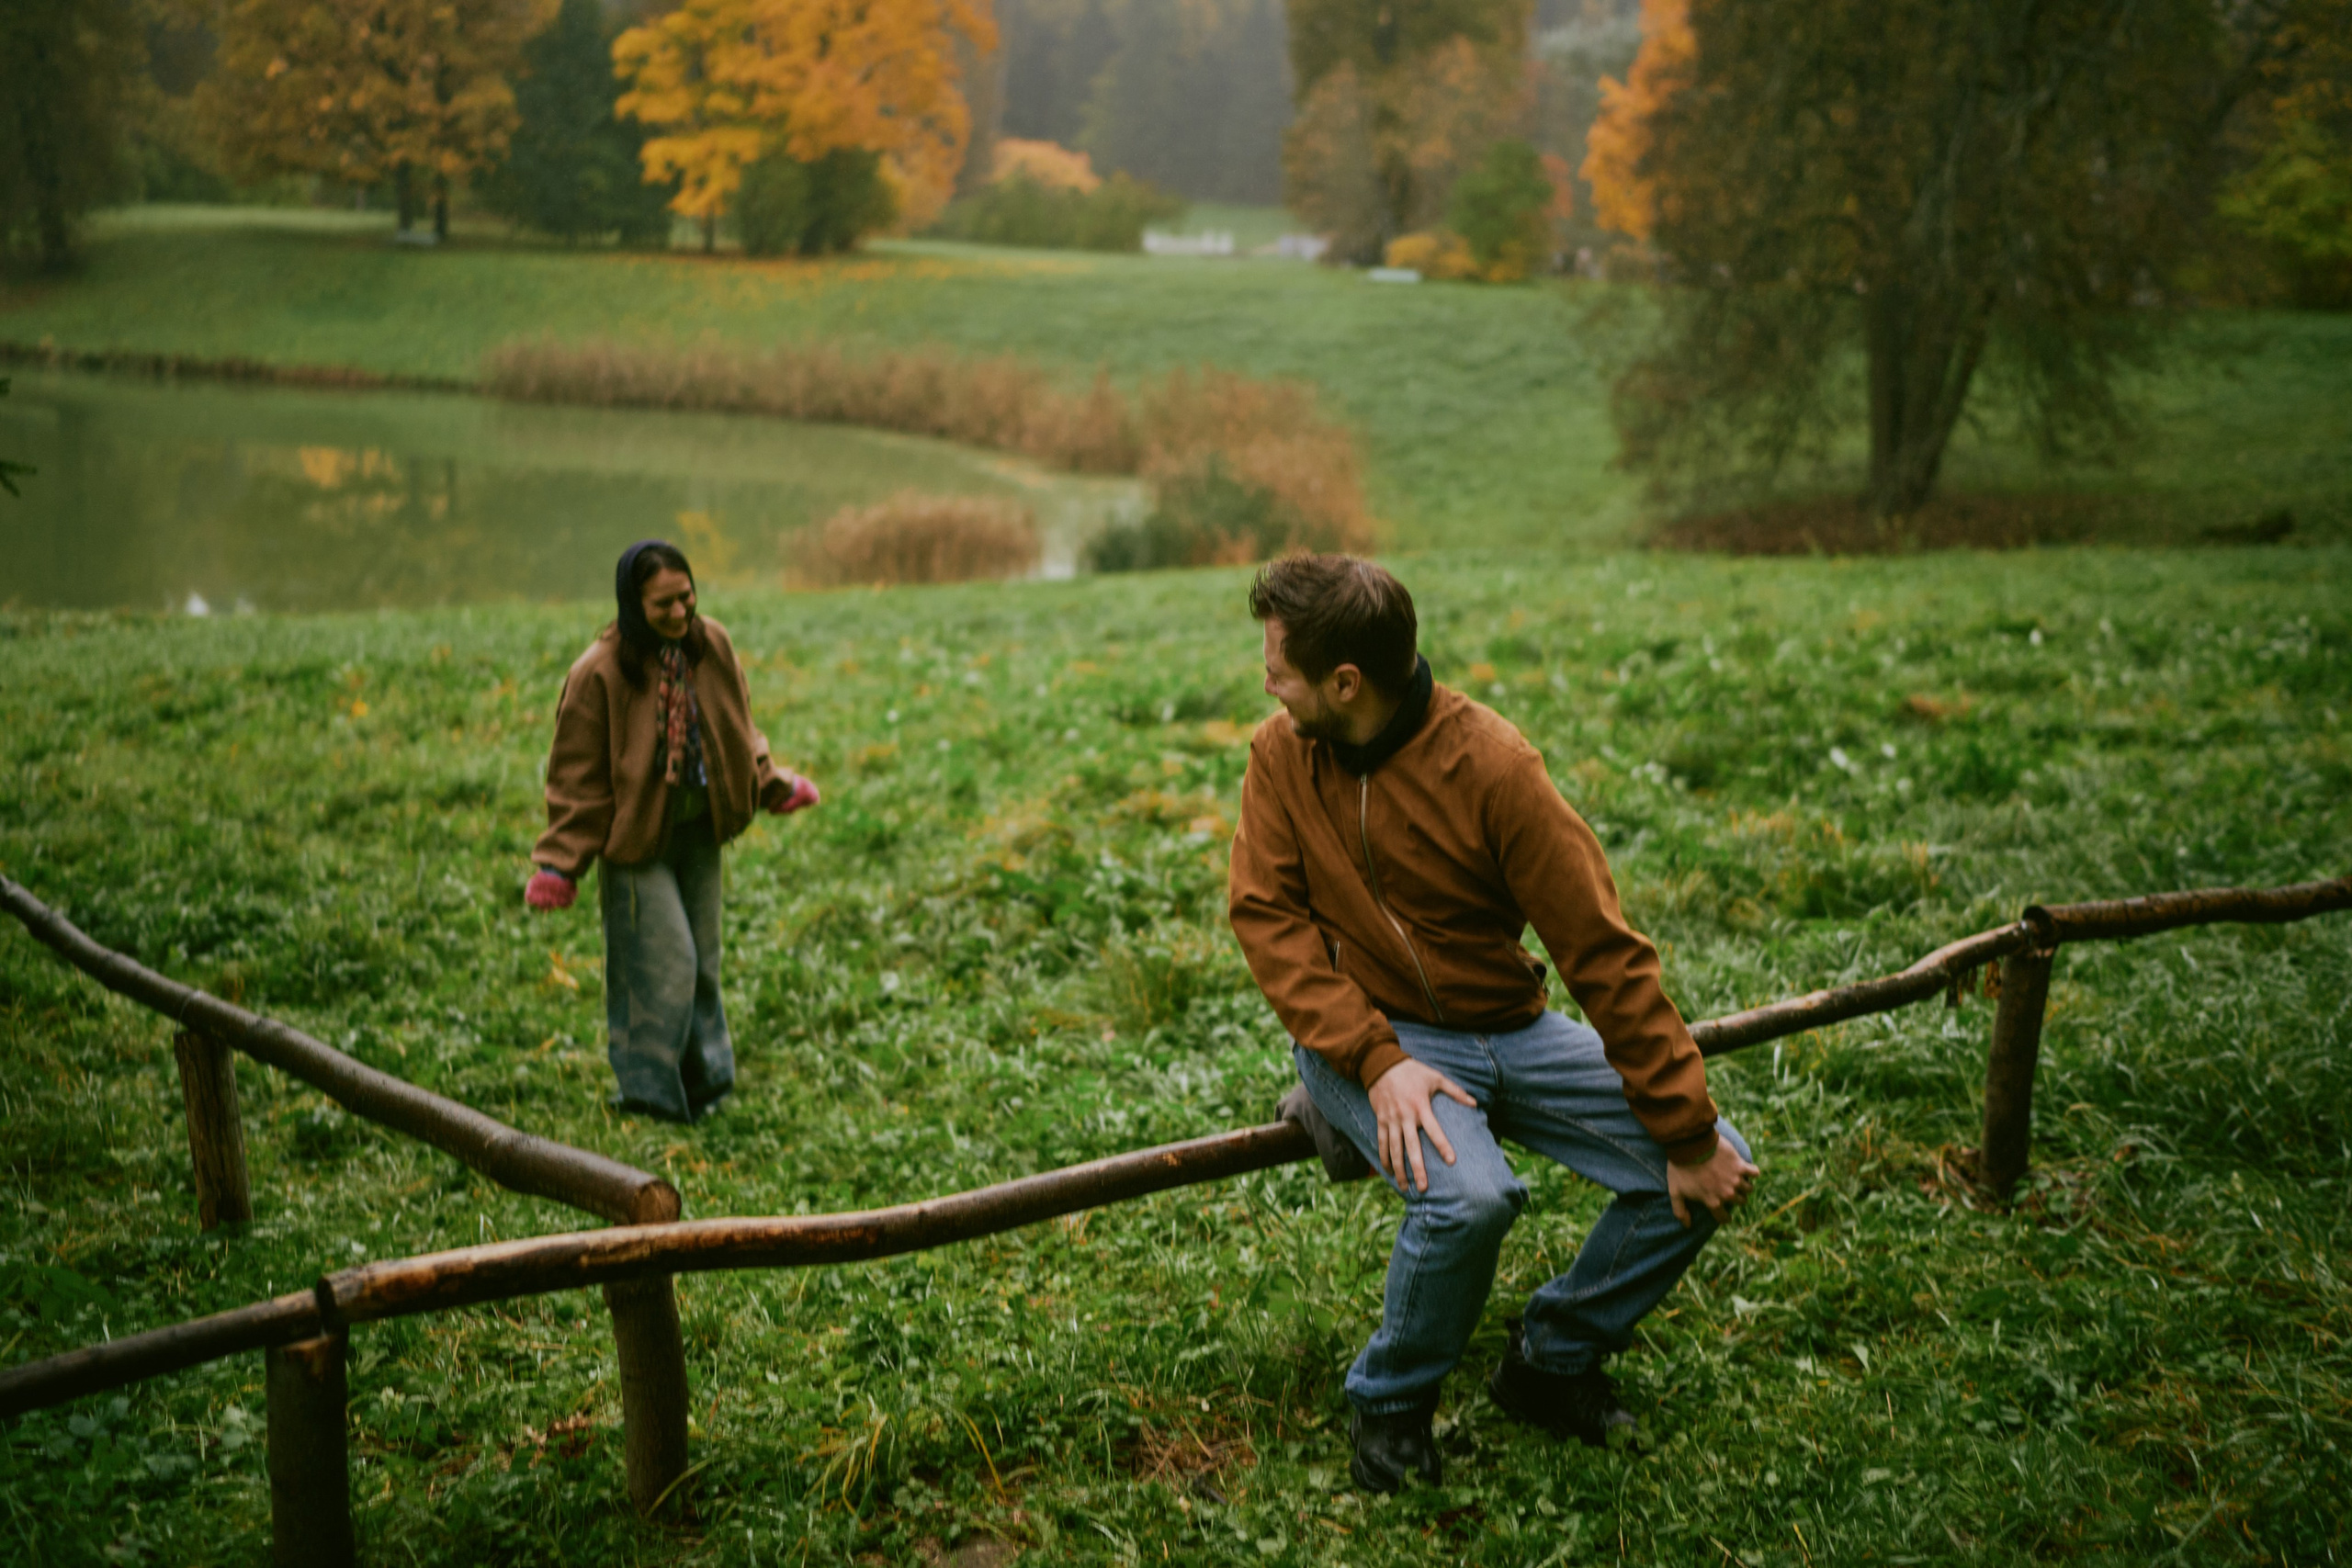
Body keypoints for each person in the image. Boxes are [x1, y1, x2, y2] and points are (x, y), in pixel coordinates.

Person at [1227, 555, 1758, 1493]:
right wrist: (1373, 1059)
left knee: (1708, 1166)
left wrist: (1681, 1127)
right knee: (1471, 1199)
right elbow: (1269, 922)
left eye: (1280, 669)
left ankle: (1549, 1362)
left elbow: (1602, 951)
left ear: (1345, 683)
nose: (1267, 683)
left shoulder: (1494, 766)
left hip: (1508, 1028)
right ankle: (1389, 1405)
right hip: (1365, 1035)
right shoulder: (1279, 756)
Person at [525, 540, 820, 1122]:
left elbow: (740, 729)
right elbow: (576, 776)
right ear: (634, 604)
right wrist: (560, 863)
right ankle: (649, 1093)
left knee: (704, 961)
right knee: (662, 964)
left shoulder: (711, 645)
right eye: (664, 605)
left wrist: (771, 782)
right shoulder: (599, 672)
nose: (681, 614)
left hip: (700, 829)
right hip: (637, 842)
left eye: (687, 598)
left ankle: (708, 1083)